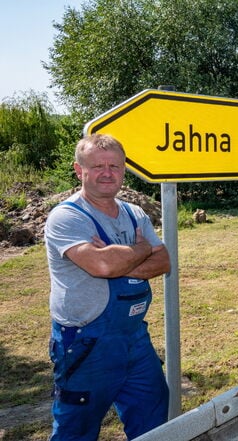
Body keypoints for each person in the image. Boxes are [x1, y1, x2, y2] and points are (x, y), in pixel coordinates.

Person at [44, 134, 170, 440]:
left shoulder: (134, 213)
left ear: (124, 169)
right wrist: (139, 250)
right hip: (86, 343)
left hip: (134, 338)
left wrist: (119, 257)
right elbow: (103, 266)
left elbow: (164, 261)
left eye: (114, 166)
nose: (107, 172)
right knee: (76, 429)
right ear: (79, 170)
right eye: (97, 166)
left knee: (152, 413)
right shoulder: (67, 216)